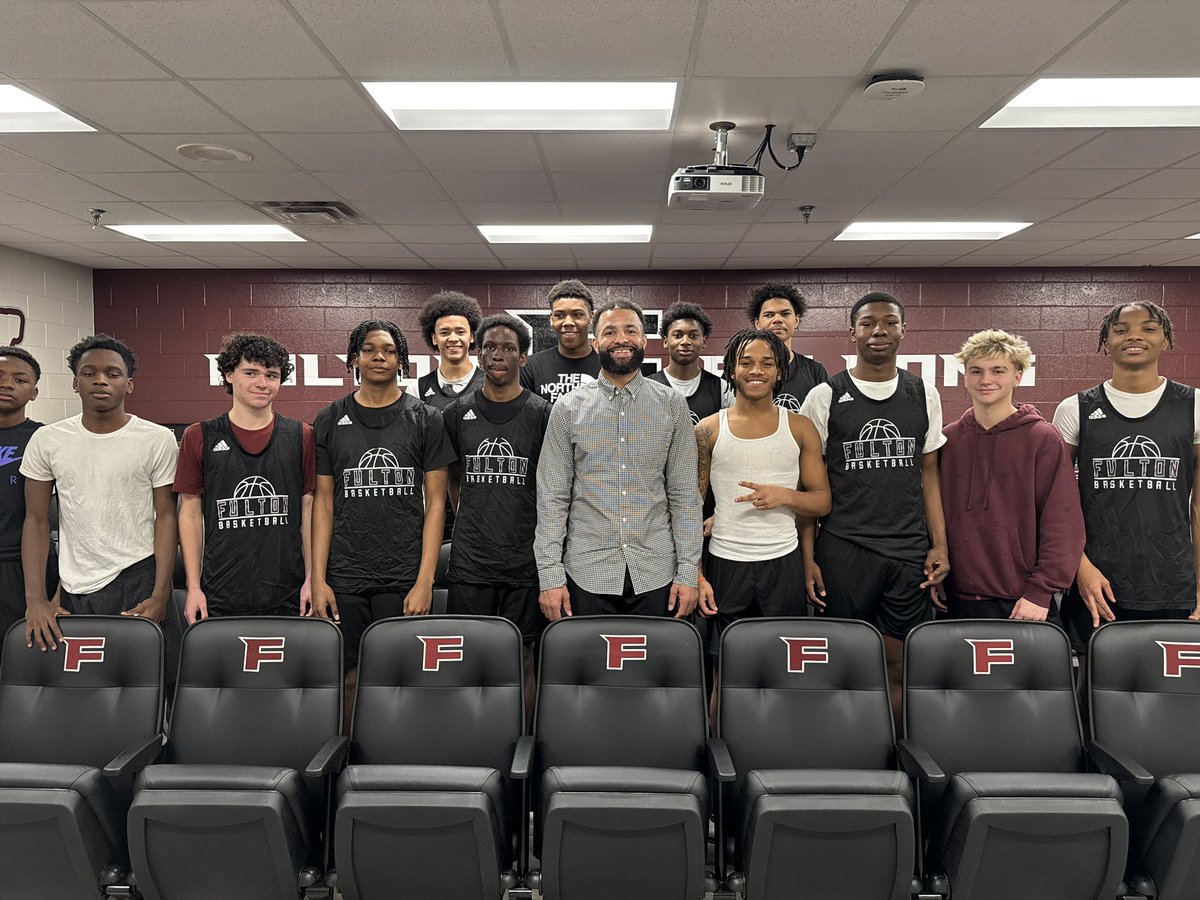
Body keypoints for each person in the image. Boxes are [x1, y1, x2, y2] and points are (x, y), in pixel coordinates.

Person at [799, 292, 949, 715]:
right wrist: (808, 558)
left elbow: (929, 475)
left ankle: (894, 749)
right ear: (853, 332)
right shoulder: (824, 396)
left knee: (899, 663)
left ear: (903, 331)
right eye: (867, 323)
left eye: (888, 322)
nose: (878, 331)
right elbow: (809, 487)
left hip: (907, 550)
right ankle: (842, 745)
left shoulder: (923, 393)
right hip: (844, 548)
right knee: (843, 663)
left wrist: (940, 544)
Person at [312, 320, 453, 727]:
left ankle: (402, 752)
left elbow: (437, 505)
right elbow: (323, 503)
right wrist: (319, 579)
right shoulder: (329, 419)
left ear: (402, 360)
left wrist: (425, 581)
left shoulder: (426, 418)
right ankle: (349, 755)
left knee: (402, 679)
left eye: (389, 351)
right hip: (345, 575)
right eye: (370, 350)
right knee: (350, 678)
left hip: (403, 576)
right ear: (354, 358)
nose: (379, 357)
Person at [535, 299, 702, 620]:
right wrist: (550, 575)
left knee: (658, 656)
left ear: (644, 340)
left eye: (630, 331)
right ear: (596, 343)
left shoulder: (672, 405)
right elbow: (552, 498)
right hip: (586, 572)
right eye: (610, 332)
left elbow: (684, 496)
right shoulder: (567, 408)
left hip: (658, 573)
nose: (621, 339)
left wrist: (687, 571)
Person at [1052, 301, 1200, 641]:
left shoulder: (1194, 405)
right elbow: (1057, 505)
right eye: (1121, 330)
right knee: (1090, 673)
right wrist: (1080, 568)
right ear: (1106, 342)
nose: (1134, 336)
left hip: (1173, 583)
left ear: (1166, 340)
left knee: (1169, 675)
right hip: (1097, 583)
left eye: (1148, 328)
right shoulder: (1075, 409)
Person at [21, 335, 178, 651]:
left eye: (112, 373)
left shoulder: (157, 439)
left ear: (129, 384)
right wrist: (36, 600)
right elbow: (36, 521)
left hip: (139, 575)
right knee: (83, 678)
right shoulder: (47, 439)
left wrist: (161, 593)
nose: (100, 380)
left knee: (153, 675)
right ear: (75, 383)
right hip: (73, 586)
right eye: (89, 373)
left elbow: (165, 517)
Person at [443, 314, 550, 713]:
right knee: (469, 656)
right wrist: (473, 517)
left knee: (523, 658)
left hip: (525, 561)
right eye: (489, 347)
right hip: (471, 561)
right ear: (479, 354)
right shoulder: (456, 413)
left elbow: (553, 487)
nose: (497, 355)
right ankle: (472, 735)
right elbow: (453, 479)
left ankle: (523, 739)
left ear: (523, 358)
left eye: (508, 348)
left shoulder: (543, 413)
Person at [939, 330, 1084, 624]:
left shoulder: (1042, 438)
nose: (986, 379)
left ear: (1017, 376)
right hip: (953, 599)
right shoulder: (948, 439)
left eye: (998, 371)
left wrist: (1041, 592)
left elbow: (1062, 521)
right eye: (976, 371)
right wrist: (937, 575)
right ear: (965, 377)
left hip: (1024, 602)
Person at [695, 328, 830, 634]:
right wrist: (698, 575)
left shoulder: (800, 427)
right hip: (725, 561)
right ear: (731, 370)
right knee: (727, 654)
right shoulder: (707, 430)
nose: (756, 370)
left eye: (767, 363)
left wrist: (785, 496)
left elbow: (822, 501)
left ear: (780, 371)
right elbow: (689, 510)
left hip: (784, 561)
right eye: (746, 362)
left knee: (782, 651)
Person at [175, 333, 315, 622]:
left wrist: (312, 579)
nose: (262, 383)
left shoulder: (302, 436)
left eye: (271, 375)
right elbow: (190, 513)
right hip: (219, 591)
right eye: (251, 373)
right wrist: (193, 587)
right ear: (229, 375)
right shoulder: (199, 436)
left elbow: (309, 512)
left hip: (288, 592)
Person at [0, 346, 46, 648]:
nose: (7, 384)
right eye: (0, 377)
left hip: (19, 565)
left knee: (18, 655)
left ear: (34, 392)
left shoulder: (44, 439)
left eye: (19, 380)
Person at [746, 283, 829, 412]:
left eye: (785, 314)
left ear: (796, 321)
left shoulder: (815, 371)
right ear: (757, 324)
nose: (777, 319)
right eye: (769, 315)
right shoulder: (741, 369)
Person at [520, 279, 602, 404]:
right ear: (551, 319)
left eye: (577, 315)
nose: (568, 322)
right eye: (559, 315)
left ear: (591, 317)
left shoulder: (606, 366)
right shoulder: (531, 367)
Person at [649, 301, 731, 425]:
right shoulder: (648, 388)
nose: (685, 342)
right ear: (666, 341)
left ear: (704, 341)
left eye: (693, 336)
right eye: (678, 335)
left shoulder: (721, 388)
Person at [416, 290, 485, 408]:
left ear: (472, 336)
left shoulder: (490, 385)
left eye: (460, 332)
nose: (453, 338)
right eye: (444, 332)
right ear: (434, 338)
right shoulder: (418, 389)